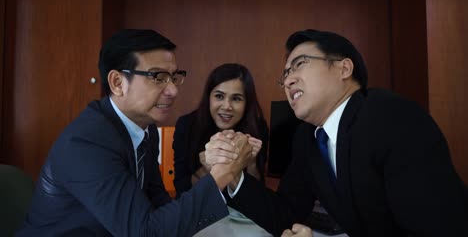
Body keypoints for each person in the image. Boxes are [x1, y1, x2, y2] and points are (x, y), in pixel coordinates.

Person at [205, 29, 468, 236]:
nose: (287, 80)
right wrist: (233, 172)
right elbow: (287, 213)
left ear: (344, 68)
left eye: (299, 64)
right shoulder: (308, 137)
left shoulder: (392, 117)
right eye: (285, 73)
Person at [17, 29, 253, 237]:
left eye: (174, 77)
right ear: (118, 82)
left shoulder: (143, 127)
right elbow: (146, 233)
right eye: (158, 77)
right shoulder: (87, 142)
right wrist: (223, 173)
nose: (172, 90)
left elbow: (159, 205)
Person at [172, 63, 269, 198]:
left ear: (247, 102)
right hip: (200, 209)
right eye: (219, 96)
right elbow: (182, 189)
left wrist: (251, 162)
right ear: (209, 97)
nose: (227, 106)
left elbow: (258, 194)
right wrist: (206, 168)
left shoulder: (257, 126)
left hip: (241, 211)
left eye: (236, 98)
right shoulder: (187, 125)